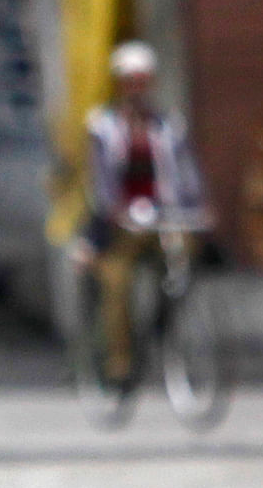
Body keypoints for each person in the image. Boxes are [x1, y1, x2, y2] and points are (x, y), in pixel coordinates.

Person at [76, 41, 210, 386]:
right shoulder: (103, 128)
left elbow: (186, 173)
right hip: (122, 227)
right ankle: (120, 363)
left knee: (184, 258)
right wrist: (113, 214)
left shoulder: (167, 127)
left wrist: (197, 208)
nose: (137, 90)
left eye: (143, 82)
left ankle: (167, 324)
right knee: (115, 282)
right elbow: (101, 182)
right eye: (130, 82)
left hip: (164, 220)